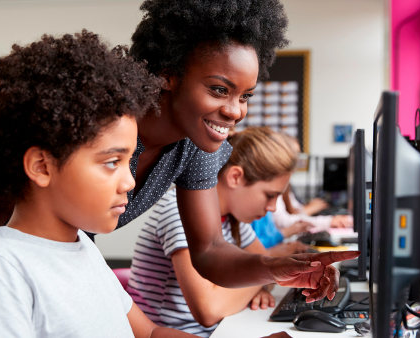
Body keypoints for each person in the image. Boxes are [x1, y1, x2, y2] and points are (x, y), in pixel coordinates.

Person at [0, 1, 358, 336]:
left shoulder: (197, 143)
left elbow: (207, 251)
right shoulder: (102, 115)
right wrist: (3, 278)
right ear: (169, 75)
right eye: (219, 89)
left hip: (66, 246)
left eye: (245, 96)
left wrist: (276, 266)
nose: (235, 111)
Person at [0, 30, 209, 338]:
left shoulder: (81, 247)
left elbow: (149, 334)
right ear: (42, 166)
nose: (129, 181)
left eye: (129, 161)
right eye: (112, 162)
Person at [128, 127, 334, 336]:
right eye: (269, 195)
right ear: (235, 177)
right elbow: (209, 311)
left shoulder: (232, 219)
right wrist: (262, 279)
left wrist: (259, 283)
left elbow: (262, 265)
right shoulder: (179, 211)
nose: (272, 207)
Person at [273, 134, 353, 231]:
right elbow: (282, 221)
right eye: (293, 154)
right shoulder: (273, 183)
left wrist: (310, 208)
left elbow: (293, 210)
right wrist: (327, 221)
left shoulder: (286, 183)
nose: (297, 160)